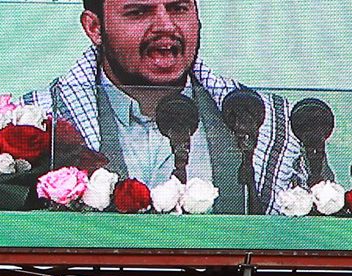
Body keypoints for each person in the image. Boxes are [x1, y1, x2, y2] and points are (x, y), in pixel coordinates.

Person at [20, 0, 307, 210]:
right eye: (139, 12)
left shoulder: (270, 123)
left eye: (178, 8)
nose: (166, 26)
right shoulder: (32, 120)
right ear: (94, 28)